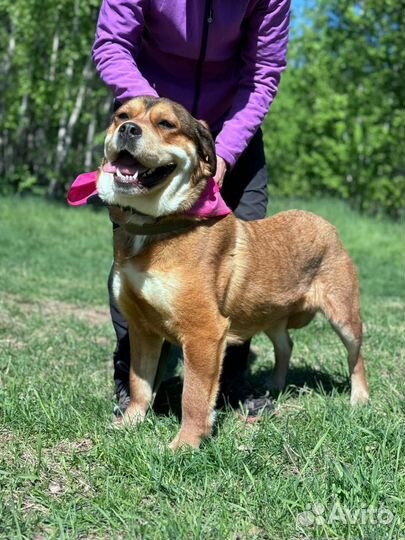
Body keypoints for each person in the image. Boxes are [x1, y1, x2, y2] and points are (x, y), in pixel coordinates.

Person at [92, 0, 291, 414]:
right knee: (139, 253)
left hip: (233, 127)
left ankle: (230, 380)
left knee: (244, 257)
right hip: (152, 124)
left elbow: (262, 73)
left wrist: (226, 150)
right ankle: (135, 385)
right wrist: (151, 120)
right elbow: (112, 43)